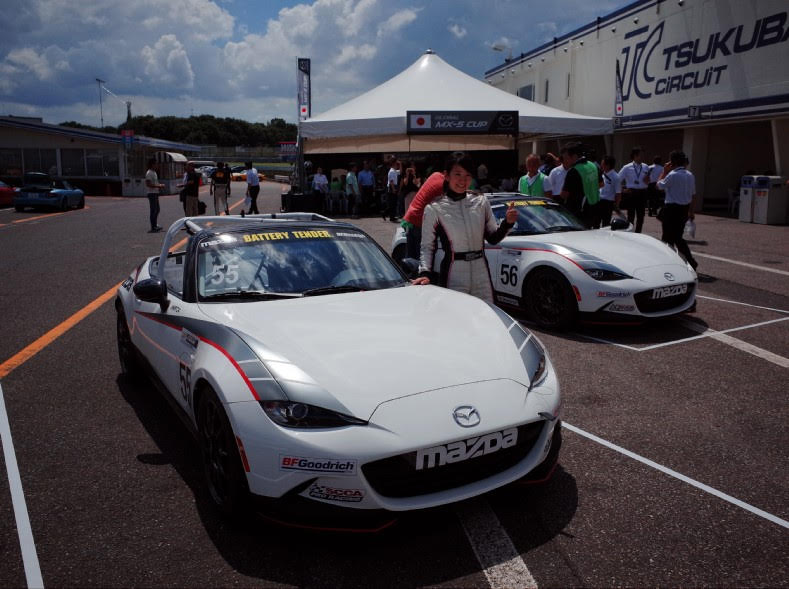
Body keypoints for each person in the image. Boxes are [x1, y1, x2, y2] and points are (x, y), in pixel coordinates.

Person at [411, 154, 518, 303]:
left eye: (468, 175)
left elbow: (493, 238)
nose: (463, 180)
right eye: (458, 174)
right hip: (453, 274)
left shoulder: (481, 201)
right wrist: (425, 272)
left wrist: (508, 223)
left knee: (486, 317)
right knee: (456, 319)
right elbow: (427, 246)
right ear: (447, 176)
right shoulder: (434, 208)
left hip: (482, 272)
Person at [657, 150, 698, 270]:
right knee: (677, 236)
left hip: (671, 209)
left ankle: (681, 261)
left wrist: (664, 171)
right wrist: (691, 211)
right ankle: (682, 261)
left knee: (668, 237)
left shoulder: (672, 174)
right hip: (683, 209)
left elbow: (659, 186)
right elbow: (693, 195)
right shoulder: (690, 175)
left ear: (672, 162)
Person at [401, 170, 446, 259]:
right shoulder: (444, 186)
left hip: (410, 218)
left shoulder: (435, 175)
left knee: (410, 259)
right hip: (420, 222)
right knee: (423, 258)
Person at [560, 142, 603, 227]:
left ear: (574, 156)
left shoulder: (573, 171)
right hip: (595, 207)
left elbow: (564, 195)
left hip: (579, 212)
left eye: (566, 158)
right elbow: (601, 184)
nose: (564, 161)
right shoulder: (593, 165)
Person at [619, 147, 651, 232]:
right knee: (631, 216)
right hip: (631, 193)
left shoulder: (646, 167)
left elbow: (648, 181)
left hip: (642, 193)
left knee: (641, 216)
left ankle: (638, 233)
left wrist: (647, 180)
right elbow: (618, 180)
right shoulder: (627, 167)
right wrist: (623, 190)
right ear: (635, 156)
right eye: (641, 155)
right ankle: (630, 234)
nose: (642, 157)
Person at [598, 156, 622, 227]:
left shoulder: (615, 177)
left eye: (603, 164)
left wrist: (616, 205)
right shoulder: (602, 174)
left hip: (608, 203)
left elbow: (618, 193)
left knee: (605, 224)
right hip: (599, 201)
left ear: (608, 165)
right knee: (596, 222)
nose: (601, 165)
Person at [144, 158, 164, 232]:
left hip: (155, 193)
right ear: (152, 164)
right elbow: (148, 184)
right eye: (156, 164)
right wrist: (159, 186)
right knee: (153, 210)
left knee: (157, 209)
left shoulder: (154, 172)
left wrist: (159, 185)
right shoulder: (149, 173)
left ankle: (155, 225)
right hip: (151, 193)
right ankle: (153, 227)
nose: (157, 165)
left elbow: (154, 183)